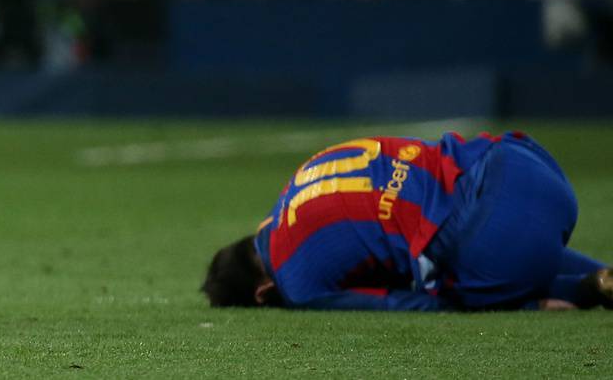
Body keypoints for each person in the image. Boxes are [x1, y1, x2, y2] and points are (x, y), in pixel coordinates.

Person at [202, 132, 612, 311]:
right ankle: (601, 276)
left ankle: (581, 290)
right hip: (523, 161)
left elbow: (408, 303)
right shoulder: (302, 175)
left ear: (262, 292)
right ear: (259, 228)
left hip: (500, 238)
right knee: (452, 222)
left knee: (446, 282)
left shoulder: (295, 282)